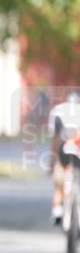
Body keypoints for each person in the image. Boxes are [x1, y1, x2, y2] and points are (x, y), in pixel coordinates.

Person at [48, 91, 80, 225]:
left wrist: (52, 162)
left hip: (64, 148)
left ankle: (57, 209)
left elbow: (56, 138)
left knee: (59, 174)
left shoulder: (58, 111)